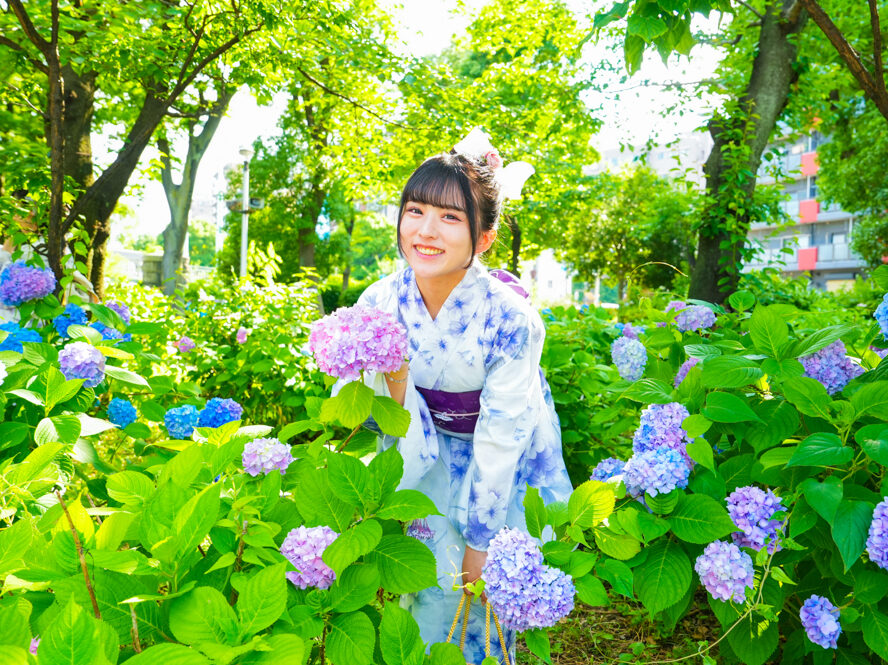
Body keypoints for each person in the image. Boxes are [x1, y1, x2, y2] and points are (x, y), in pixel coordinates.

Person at [355, 129, 573, 663]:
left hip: (498, 455)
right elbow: (370, 413)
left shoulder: (510, 318)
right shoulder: (379, 301)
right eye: (415, 211)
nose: (426, 231)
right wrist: (396, 377)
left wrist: (482, 541)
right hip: (419, 445)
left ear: (485, 238)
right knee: (422, 583)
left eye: (450, 217)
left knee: (479, 594)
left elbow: (502, 437)